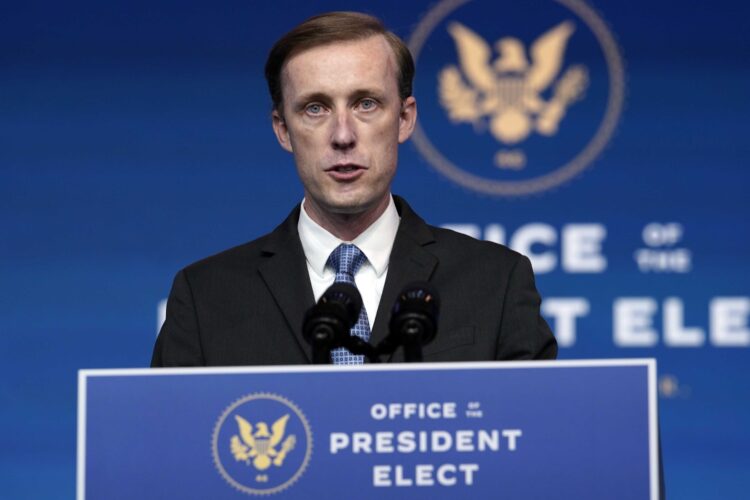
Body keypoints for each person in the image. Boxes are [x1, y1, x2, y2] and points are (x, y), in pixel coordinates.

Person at [151, 12, 557, 367]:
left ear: (404, 119)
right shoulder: (206, 296)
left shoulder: (496, 282)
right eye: (315, 108)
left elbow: (536, 441)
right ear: (282, 130)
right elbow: (168, 447)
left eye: (366, 104)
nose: (342, 136)